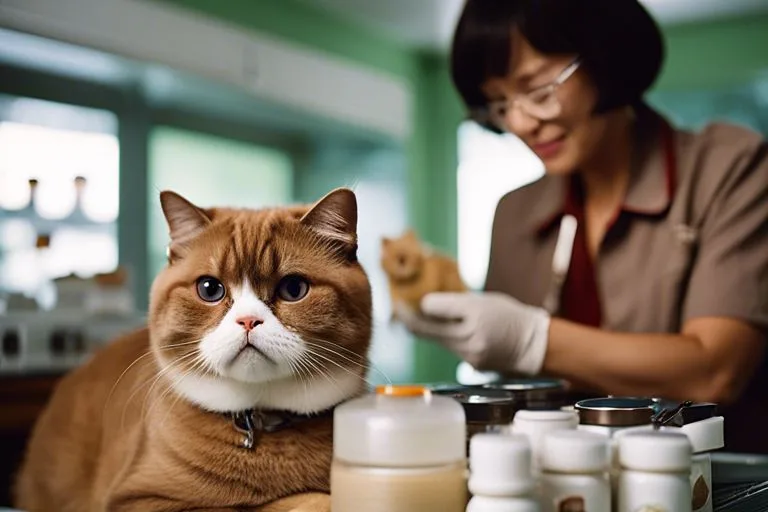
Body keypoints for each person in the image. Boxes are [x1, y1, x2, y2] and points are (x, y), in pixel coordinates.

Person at [397, 0, 768, 453]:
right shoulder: (514, 213)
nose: (520, 123)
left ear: (605, 57)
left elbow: (716, 372)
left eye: (537, 91)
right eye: (498, 104)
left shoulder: (730, 169)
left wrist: (532, 339)